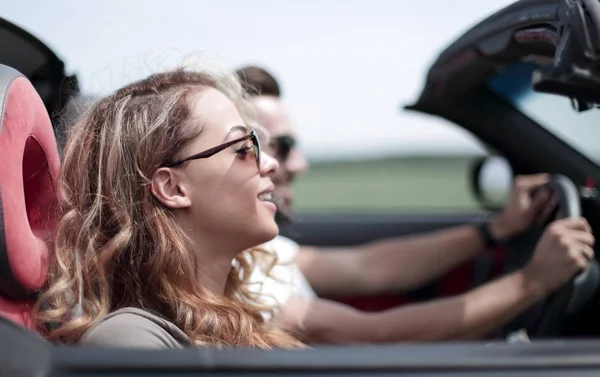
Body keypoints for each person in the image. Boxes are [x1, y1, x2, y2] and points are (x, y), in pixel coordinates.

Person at [235, 65, 596, 344]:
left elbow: (370, 267)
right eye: (280, 146)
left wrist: (495, 230)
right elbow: (372, 336)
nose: (298, 164)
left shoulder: (256, 251)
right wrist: (533, 281)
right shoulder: (235, 280)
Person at [34, 64, 302, 349]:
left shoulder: (236, 320)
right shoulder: (130, 338)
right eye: (242, 148)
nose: (271, 164)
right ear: (172, 188)